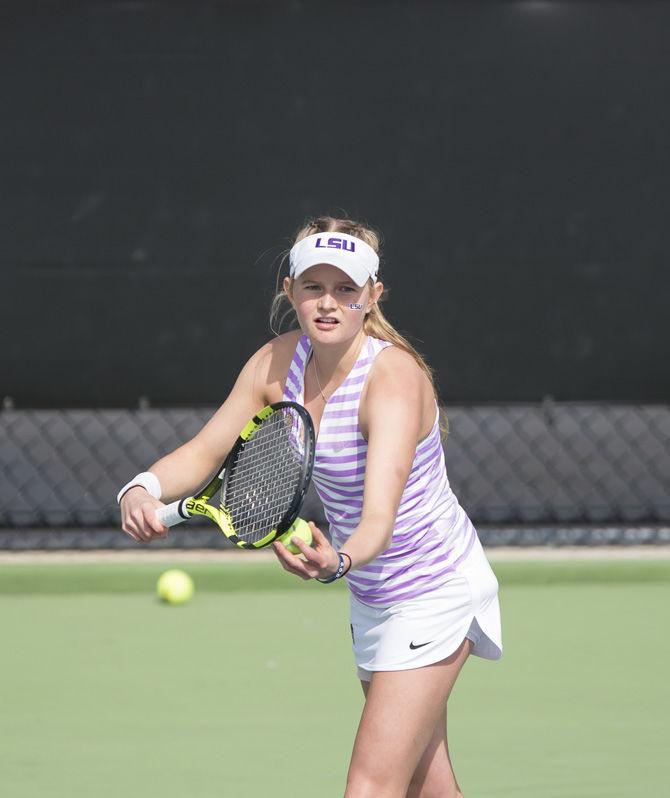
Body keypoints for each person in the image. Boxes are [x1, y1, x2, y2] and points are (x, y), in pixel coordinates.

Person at [118, 215, 502, 798]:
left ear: (373, 296)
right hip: (375, 599)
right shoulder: (277, 362)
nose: (329, 304)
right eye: (314, 287)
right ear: (288, 290)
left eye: (346, 289)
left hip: (435, 591)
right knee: (430, 785)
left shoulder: (393, 381)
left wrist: (339, 561)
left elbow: (380, 515)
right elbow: (205, 451)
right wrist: (143, 487)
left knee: (370, 786)